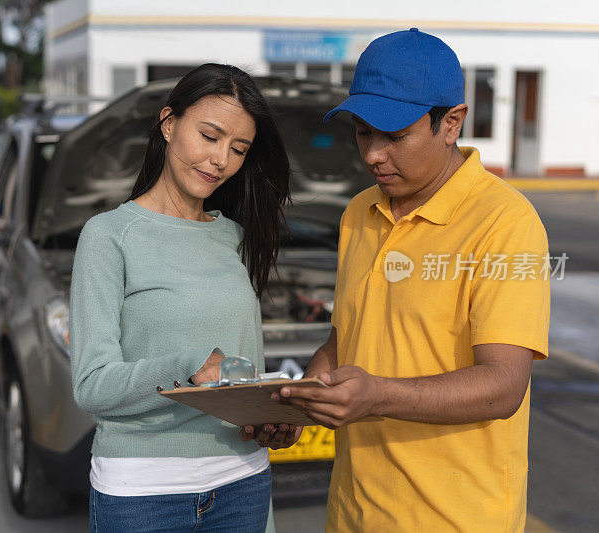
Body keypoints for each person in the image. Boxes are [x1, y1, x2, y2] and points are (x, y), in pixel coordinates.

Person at [252, 29, 550, 531]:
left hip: (455, 518)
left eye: (394, 136)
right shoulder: (359, 213)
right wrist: (299, 400)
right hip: (353, 512)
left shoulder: (505, 223)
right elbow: (347, 335)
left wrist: (379, 395)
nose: (372, 154)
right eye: (364, 132)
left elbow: (503, 386)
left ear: (451, 123)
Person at [69, 63, 290, 532]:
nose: (220, 160)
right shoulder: (109, 236)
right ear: (169, 124)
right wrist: (188, 368)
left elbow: (245, 375)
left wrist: (270, 419)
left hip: (241, 481)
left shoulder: (236, 237)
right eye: (209, 136)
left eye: (238, 149)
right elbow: (92, 385)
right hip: (143, 494)